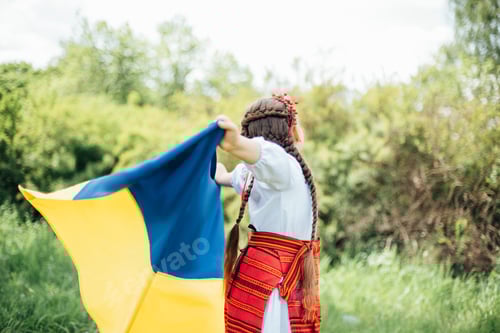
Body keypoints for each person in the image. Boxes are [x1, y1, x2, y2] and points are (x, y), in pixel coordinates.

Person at [215, 93, 321, 333]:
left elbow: (224, 176)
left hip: (263, 276)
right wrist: (234, 144)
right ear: (290, 128)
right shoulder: (282, 164)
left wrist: (230, 154)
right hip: (274, 284)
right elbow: (262, 153)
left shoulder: (255, 173)